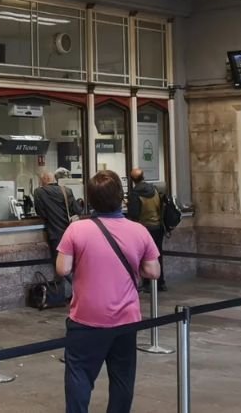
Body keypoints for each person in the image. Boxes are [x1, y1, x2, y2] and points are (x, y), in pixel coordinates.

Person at [56, 170, 160, 413]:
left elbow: (62, 268)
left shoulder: (77, 230)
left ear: (90, 199)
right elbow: (153, 271)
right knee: (123, 379)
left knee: (79, 376)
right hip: (126, 318)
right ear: (121, 197)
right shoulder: (139, 231)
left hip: (86, 317)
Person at [33, 171, 82, 296]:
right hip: (71, 233)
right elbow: (76, 210)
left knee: (60, 266)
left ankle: (80, 290)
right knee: (74, 264)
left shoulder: (39, 192)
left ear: (44, 179)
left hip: (55, 234)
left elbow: (41, 213)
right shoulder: (67, 191)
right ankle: (79, 290)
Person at [126, 168, 167, 292]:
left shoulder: (135, 193)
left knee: (143, 256)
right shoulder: (154, 189)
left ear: (132, 180)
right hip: (158, 226)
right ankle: (160, 282)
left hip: (144, 228)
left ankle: (147, 283)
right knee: (157, 254)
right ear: (143, 176)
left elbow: (134, 214)